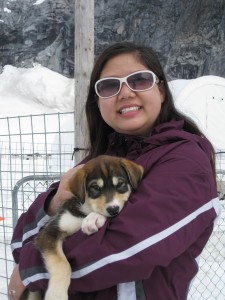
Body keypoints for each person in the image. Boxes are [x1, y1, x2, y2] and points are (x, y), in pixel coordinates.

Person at [9, 42, 221, 300]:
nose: (125, 93)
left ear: (162, 91)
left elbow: (127, 248)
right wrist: (55, 203)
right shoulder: (99, 160)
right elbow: (21, 242)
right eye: (109, 86)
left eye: (139, 80)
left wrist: (30, 271)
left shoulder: (185, 161)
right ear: (97, 102)